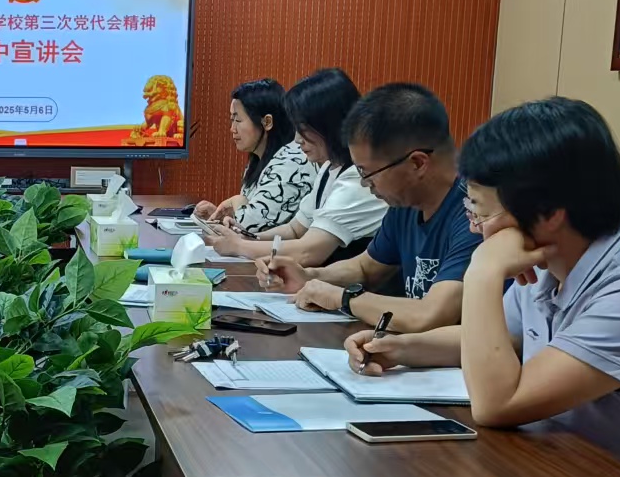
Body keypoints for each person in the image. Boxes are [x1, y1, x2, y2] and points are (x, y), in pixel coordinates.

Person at [343, 97, 620, 477]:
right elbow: (496, 339)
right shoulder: (552, 263)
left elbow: (498, 405)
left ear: (550, 212)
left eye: (479, 210)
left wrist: (483, 272)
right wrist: (401, 348)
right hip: (578, 473)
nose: (474, 226)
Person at [259, 82, 478, 332]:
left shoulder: (476, 213)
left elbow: (433, 314)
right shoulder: (406, 203)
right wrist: (308, 277)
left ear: (417, 163)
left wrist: (345, 299)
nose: (364, 183)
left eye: (367, 172)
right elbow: (365, 268)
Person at [201, 68, 385, 266]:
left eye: (303, 129)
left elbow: (308, 251)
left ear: (329, 125)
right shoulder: (329, 169)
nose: (297, 139)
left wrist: (239, 246)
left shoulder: (358, 179)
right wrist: (245, 237)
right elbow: (295, 230)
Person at [193, 78, 313, 236]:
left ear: (267, 122)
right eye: (231, 120)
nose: (232, 129)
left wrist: (237, 201)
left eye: (238, 120)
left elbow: (251, 227)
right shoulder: (258, 159)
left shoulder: (291, 161)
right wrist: (220, 217)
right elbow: (249, 223)